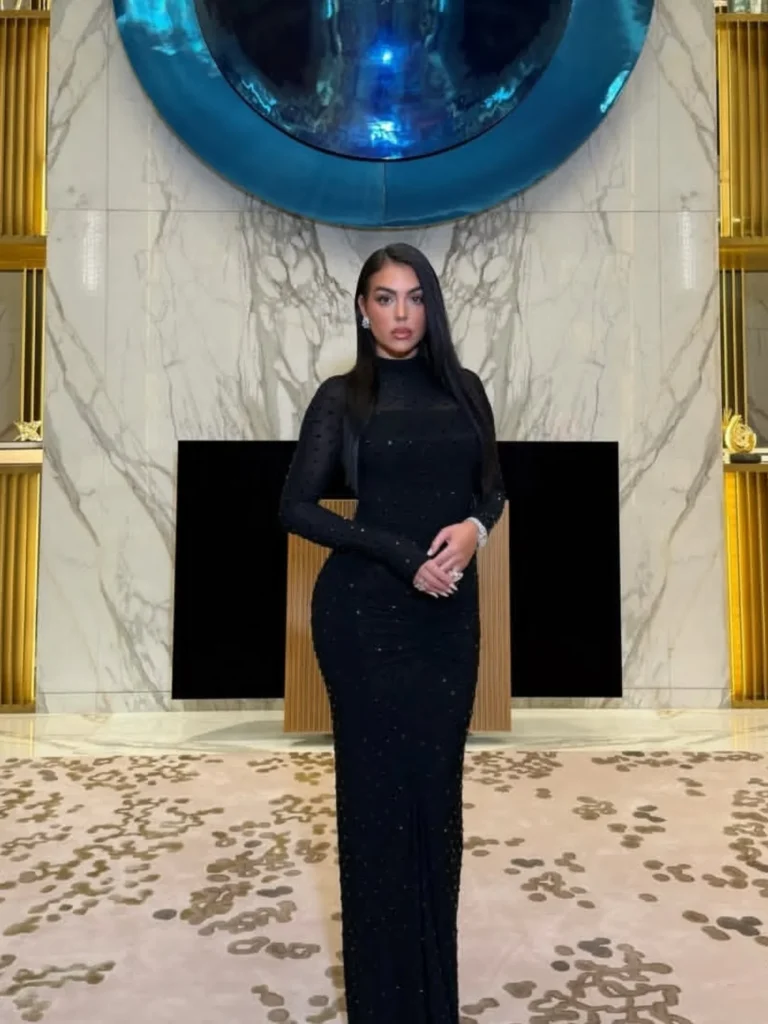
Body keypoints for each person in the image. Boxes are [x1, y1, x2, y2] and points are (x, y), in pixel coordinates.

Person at [279, 243, 506, 1023]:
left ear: (431, 307)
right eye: (385, 298)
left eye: (414, 298)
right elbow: (294, 507)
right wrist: (398, 553)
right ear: (362, 309)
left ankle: (432, 1001)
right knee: (376, 811)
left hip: (448, 621)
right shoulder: (342, 398)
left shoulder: (465, 389)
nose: (401, 314)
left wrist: (476, 530)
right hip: (364, 622)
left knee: (436, 802)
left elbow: (493, 490)